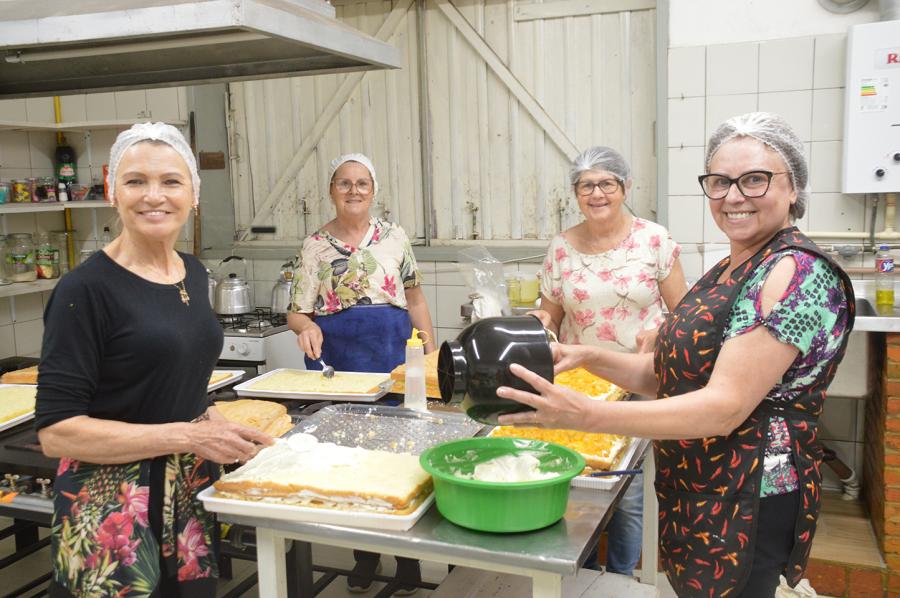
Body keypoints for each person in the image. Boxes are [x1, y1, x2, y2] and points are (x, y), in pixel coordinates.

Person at [498, 112, 855, 598]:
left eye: (755, 180)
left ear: (794, 187)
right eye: (720, 181)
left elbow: (724, 408)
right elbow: (670, 374)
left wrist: (584, 414)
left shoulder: (795, 273)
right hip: (705, 484)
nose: (733, 196)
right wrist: (587, 357)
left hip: (750, 494)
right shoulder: (732, 266)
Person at [35, 122, 273, 598]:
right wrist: (189, 434)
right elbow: (56, 432)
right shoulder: (85, 290)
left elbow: (167, 378)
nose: (153, 196)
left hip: (186, 498)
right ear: (112, 191)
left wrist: (214, 423)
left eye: (170, 181)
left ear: (194, 193)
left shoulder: (193, 271)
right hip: (111, 510)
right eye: (135, 181)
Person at [530, 145, 686, 577]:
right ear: (575, 194)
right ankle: (579, 573)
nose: (596, 193)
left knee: (627, 490)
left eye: (606, 184)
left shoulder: (654, 239)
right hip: (581, 381)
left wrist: (661, 332)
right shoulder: (561, 248)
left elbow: (686, 316)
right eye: (586, 186)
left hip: (639, 381)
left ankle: (618, 578)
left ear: (624, 187)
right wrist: (539, 320)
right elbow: (552, 316)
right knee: (578, 480)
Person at [288, 153, 436, 595]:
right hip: (340, 357)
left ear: (374, 190)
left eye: (362, 183)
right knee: (349, 457)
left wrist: (429, 352)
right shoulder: (314, 245)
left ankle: (407, 559)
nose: (353, 190)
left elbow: (415, 300)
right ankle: (364, 556)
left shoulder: (394, 238)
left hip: (392, 350)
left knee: (400, 454)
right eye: (344, 183)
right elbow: (296, 312)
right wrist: (307, 325)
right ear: (331, 190)